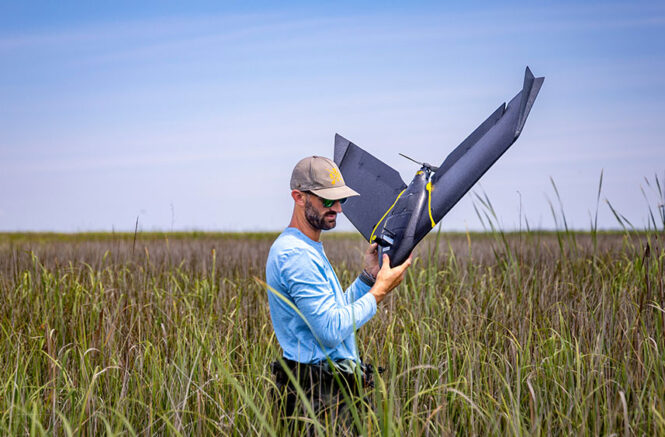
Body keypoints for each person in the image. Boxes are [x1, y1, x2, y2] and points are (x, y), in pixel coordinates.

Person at [265, 155, 411, 429]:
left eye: (341, 200)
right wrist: (378, 292)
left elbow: (331, 313)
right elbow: (330, 330)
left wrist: (368, 278)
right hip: (317, 397)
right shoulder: (295, 255)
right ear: (299, 197)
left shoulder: (307, 248)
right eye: (327, 200)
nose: (338, 209)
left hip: (327, 391)